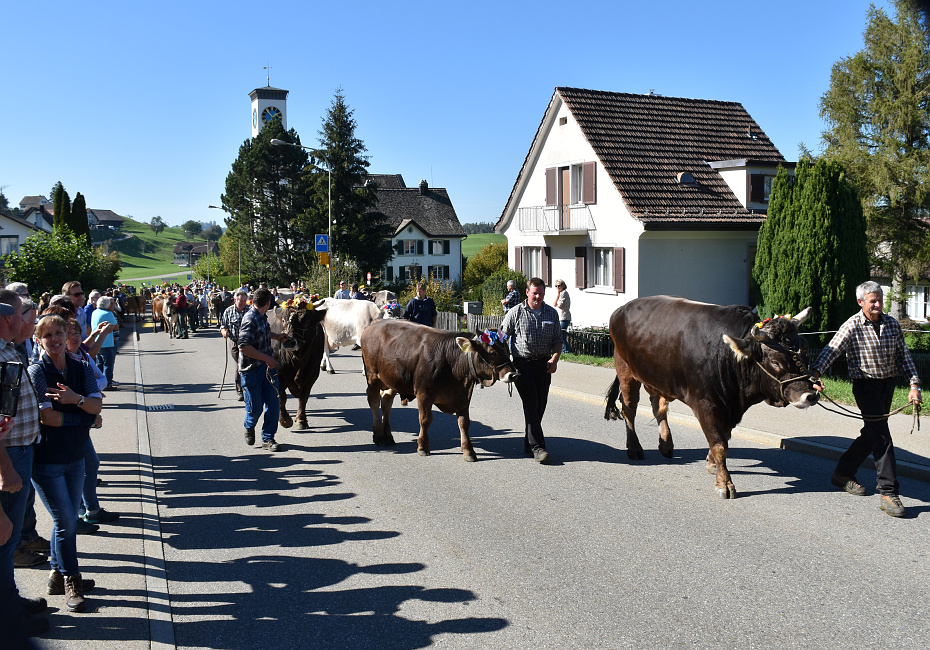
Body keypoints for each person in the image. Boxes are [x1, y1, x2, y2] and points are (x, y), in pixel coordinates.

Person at [811, 280, 922, 518]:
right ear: (860, 302)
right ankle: (888, 491)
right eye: (873, 301)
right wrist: (815, 375)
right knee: (881, 435)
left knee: (872, 432)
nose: (878, 305)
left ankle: (842, 473)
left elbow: (904, 356)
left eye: (880, 300)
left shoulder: (891, 324)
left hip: (887, 385)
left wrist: (914, 386)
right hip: (865, 386)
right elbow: (831, 350)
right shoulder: (852, 325)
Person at [28, 314, 103, 613]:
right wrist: (84, 416)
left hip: (75, 458)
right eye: (47, 336)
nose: (55, 339)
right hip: (47, 460)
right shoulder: (37, 372)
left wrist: (74, 399)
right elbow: (48, 418)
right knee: (66, 522)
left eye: (59, 333)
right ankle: (73, 579)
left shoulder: (81, 367)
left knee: (69, 519)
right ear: (38, 340)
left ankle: (56, 576)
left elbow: (97, 404)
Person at [0, 290, 50, 636]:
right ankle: (8, 615)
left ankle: (11, 601)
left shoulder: (8, 349)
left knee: (10, 539)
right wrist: (5, 469)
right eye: (21, 314)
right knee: (5, 540)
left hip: (19, 451)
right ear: (7, 319)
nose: (26, 320)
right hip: (10, 456)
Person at [500, 278, 563, 464]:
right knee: (531, 403)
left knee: (540, 405)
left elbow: (558, 340)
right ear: (527, 292)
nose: (537, 296)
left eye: (541, 293)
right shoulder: (515, 312)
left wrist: (555, 359)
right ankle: (538, 448)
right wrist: (503, 363)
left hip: (544, 364)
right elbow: (502, 337)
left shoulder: (551, 314)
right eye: (534, 293)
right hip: (522, 365)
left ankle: (529, 442)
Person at [65, 319, 116, 526]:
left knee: (88, 463)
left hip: (83, 416)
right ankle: (79, 514)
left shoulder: (80, 355)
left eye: (77, 332)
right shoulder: (63, 360)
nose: (74, 337)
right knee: (80, 465)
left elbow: (97, 377)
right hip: (71, 420)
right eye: (68, 333)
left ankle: (90, 509)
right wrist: (90, 408)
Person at [237, 288, 291, 452]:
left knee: (274, 402)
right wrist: (267, 358)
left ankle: (268, 438)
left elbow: (263, 333)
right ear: (268, 303)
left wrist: (277, 336)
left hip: (267, 371)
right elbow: (243, 346)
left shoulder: (261, 316)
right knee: (255, 408)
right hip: (251, 370)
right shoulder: (250, 319)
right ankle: (249, 425)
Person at [220, 289, 250, 401]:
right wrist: (224, 332)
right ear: (235, 300)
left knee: (249, 364)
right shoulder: (228, 311)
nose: (242, 303)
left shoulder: (250, 311)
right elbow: (223, 326)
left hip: (248, 342)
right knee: (240, 364)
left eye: (244, 300)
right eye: (240, 300)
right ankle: (240, 391)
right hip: (234, 342)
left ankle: (249, 387)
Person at [90, 297, 119, 391]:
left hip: (96, 342)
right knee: (108, 365)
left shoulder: (94, 312)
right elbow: (115, 326)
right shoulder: (108, 314)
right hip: (107, 342)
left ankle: (100, 383)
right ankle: (108, 384)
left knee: (99, 364)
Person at [553, 279, 572, 354]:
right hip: (561, 316)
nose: (558, 287)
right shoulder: (561, 293)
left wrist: (557, 302)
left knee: (561, 334)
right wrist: (558, 295)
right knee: (561, 334)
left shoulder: (564, 293)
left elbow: (559, 305)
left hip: (565, 316)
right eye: (556, 286)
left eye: (559, 285)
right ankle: (565, 350)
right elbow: (554, 304)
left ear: (563, 285)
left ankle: (566, 350)